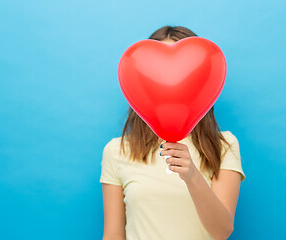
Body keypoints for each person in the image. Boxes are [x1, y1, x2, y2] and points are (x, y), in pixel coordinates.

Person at [100, 25, 246, 240]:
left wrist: (192, 176)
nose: (171, 83)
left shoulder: (224, 145)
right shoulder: (117, 150)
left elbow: (222, 231)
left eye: (183, 74)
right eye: (159, 74)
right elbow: (113, 235)